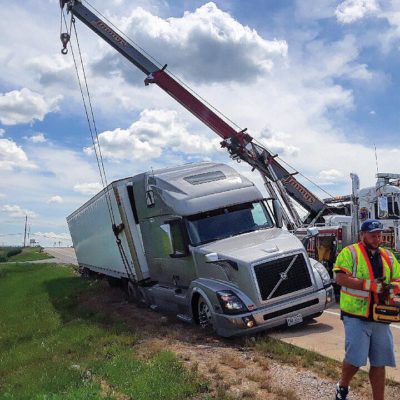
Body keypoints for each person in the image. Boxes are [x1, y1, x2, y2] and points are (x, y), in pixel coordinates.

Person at [333, 219, 400, 400]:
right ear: (362, 235)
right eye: (372, 235)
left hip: (381, 316)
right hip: (356, 315)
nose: (376, 238)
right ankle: (342, 386)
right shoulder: (350, 252)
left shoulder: (388, 255)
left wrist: (392, 288)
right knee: (355, 360)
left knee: (379, 362)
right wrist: (369, 285)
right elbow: (340, 278)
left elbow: (398, 279)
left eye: (379, 235)